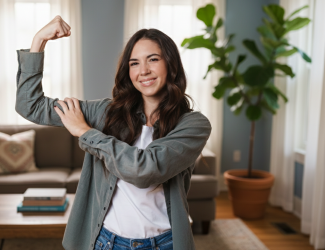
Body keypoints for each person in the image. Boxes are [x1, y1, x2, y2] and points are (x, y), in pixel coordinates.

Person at [16, 15, 211, 250]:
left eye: (153, 59)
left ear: (171, 65)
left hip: (164, 243)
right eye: (134, 63)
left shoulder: (193, 125)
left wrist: (85, 132)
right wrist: (39, 41)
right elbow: (31, 105)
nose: (144, 70)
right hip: (106, 242)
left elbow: (144, 170)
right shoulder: (105, 112)